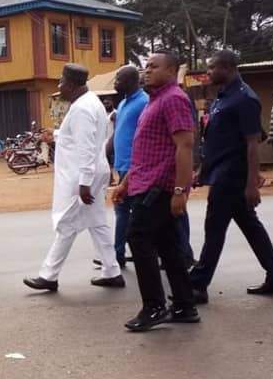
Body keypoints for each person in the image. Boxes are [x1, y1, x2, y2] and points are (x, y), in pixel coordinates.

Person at [188, 51, 273, 302]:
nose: (208, 72)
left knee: (214, 228)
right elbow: (215, 138)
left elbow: (253, 144)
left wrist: (252, 184)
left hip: (233, 176)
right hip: (221, 171)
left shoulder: (245, 99)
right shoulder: (223, 97)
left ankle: (198, 285)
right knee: (251, 227)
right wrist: (204, 169)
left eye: (212, 68)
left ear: (228, 68)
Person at [113, 51, 198, 332]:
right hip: (143, 182)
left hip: (159, 186)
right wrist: (125, 183)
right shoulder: (154, 100)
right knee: (168, 247)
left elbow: (184, 146)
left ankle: (154, 307)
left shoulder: (173, 98)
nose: (146, 71)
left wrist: (179, 191)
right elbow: (144, 150)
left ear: (172, 70)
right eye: (145, 66)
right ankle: (185, 305)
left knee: (137, 238)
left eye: (154, 66)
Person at [24, 64, 124, 293]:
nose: (59, 87)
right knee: (98, 223)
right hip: (94, 171)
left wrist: (84, 183)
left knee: (67, 224)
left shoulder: (81, 109)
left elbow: (87, 148)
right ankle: (112, 271)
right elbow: (81, 137)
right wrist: (56, 134)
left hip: (83, 176)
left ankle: (48, 275)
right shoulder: (90, 102)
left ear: (70, 85)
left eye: (61, 82)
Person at [108, 65, 148, 267]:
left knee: (128, 211)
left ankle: (120, 254)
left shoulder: (144, 103)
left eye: (118, 79)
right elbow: (119, 132)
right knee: (122, 210)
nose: (115, 83)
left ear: (131, 81)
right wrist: (107, 149)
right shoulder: (123, 103)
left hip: (135, 168)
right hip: (121, 165)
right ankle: (119, 253)